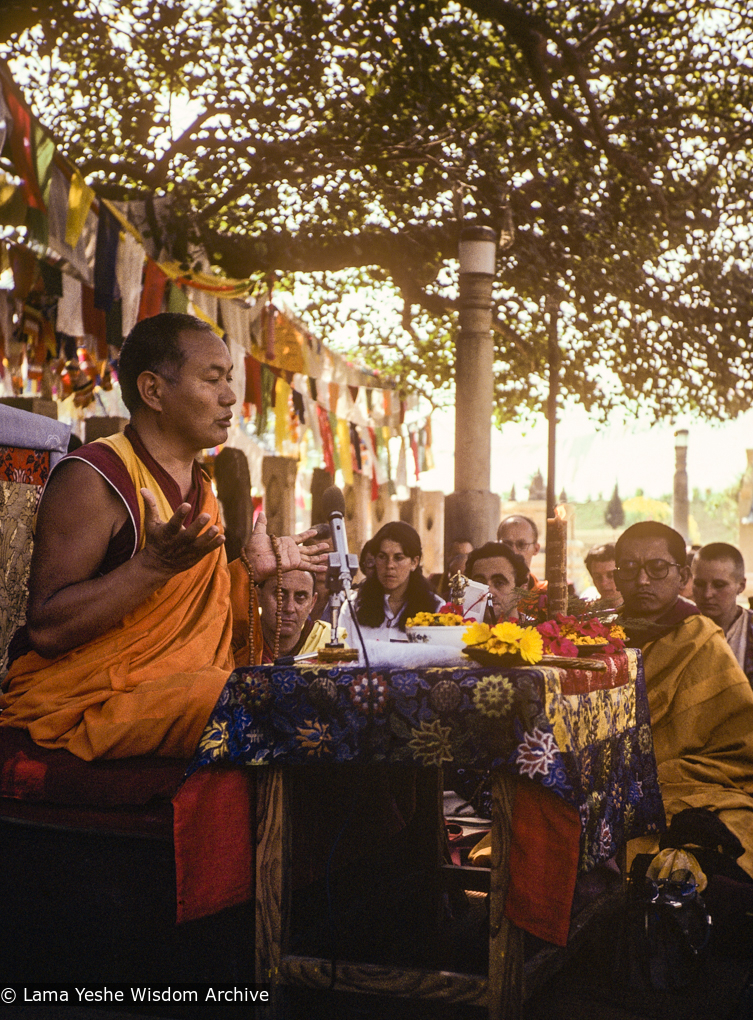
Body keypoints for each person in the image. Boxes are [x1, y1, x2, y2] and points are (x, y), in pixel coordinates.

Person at [0, 313, 326, 760]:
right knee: (250, 701)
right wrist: (152, 566)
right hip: (84, 699)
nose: (230, 397)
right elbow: (47, 629)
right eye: (212, 380)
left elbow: (195, 627)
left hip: (171, 686)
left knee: (320, 690)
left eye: (229, 379)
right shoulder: (95, 478)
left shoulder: (201, 487)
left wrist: (251, 573)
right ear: (153, 390)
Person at [614, 521, 753, 877]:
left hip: (690, 780)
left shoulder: (701, 640)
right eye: (630, 568)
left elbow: (739, 745)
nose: (643, 580)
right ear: (616, 577)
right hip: (609, 776)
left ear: (681, 575)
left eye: (657, 568)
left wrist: (659, 771)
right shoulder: (597, 638)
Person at [340, 521, 442, 644]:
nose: (389, 565)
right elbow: (343, 657)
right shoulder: (353, 607)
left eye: (398, 558)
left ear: (414, 562)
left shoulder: (436, 609)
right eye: (382, 557)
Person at [692, 542, 753, 683]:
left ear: (741, 586)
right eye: (699, 584)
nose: (707, 594)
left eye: (719, 585)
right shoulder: (678, 632)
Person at [256, 569, 334, 663]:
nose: (290, 608)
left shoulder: (328, 641)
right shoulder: (239, 642)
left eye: (300, 596)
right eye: (279, 595)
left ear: (312, 602)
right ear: (258, 596)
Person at [464, 542, 528, 621]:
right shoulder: (457, 629)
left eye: (499, 583)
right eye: (480, 583)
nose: (488, 593)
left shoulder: (537, 631)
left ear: (520, 592)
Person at [581, 542, 623, 608]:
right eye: (597, 577)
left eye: (611, 576)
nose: (603, 583)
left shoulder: (639, 611)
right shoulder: (587, 613)